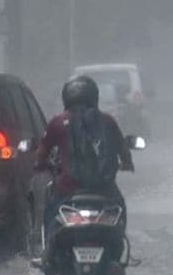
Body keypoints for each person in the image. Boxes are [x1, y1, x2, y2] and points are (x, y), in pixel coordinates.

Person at [34, 76, 134, 257]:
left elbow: (42, 152)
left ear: (66, 97)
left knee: (50, 209)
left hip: (67, 190)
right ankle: (119, 252)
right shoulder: (108, 121)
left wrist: (40, 165)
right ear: (94, 96)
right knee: (120, 208)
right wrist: (127, 164)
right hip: (105, 190)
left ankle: (47, 252)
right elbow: (122, 149)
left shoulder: (58, 122)